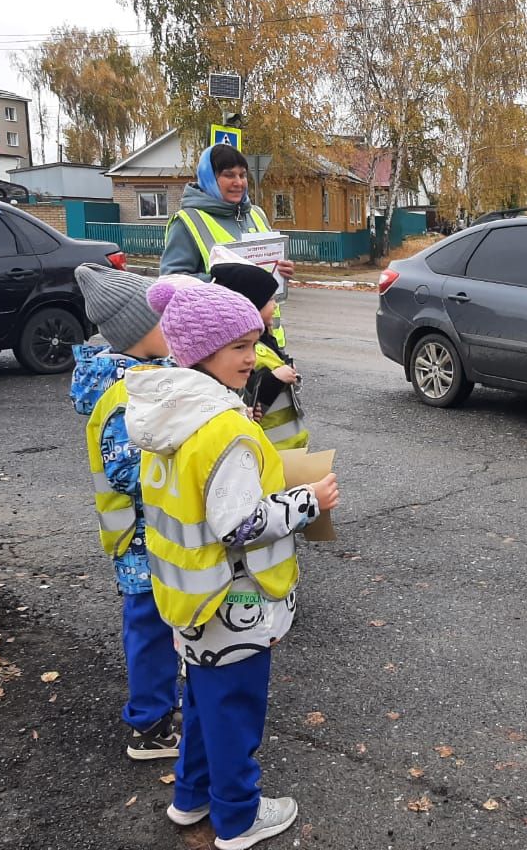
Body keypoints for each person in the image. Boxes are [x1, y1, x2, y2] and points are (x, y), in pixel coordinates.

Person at [125, 278, 339, 850]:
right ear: (200, 351)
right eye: (239, 347)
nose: (252, 357)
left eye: (254, 343)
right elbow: (239, 524)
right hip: (234, 598)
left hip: (188, 595)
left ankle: (193, 795)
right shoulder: (226, 428)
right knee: (235, 708)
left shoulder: (168, 413)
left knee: (201, 697)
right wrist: (309, 500)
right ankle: (239, 817)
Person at [69, 263, 180, 761]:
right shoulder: (124, 395)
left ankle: (159, 703)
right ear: (137, 333)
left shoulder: (144, 378)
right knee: (149, 625)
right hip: (139, 538)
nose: (173, 328)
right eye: (164, 320)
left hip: (151, 533)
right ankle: (149, 724)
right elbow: (127, 472)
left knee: (159, 622)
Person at [160, 143, 294, 348]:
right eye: (229, 175)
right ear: (209, 178)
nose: (238, 182)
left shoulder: (256, 214)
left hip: (269, 341)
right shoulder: (188, 221)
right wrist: (223, 282)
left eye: (242, 175)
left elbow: (269, 268)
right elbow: (170, 283)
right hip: (222, 345)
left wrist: (282, 269)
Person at [211, 261, 310, 449]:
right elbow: (244, 395)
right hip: (268, 447)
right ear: (251, 305)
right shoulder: (243, 350)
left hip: (289, 442)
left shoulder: (264, 338)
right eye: (270, 300)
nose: (275, 305)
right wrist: (274, 379)